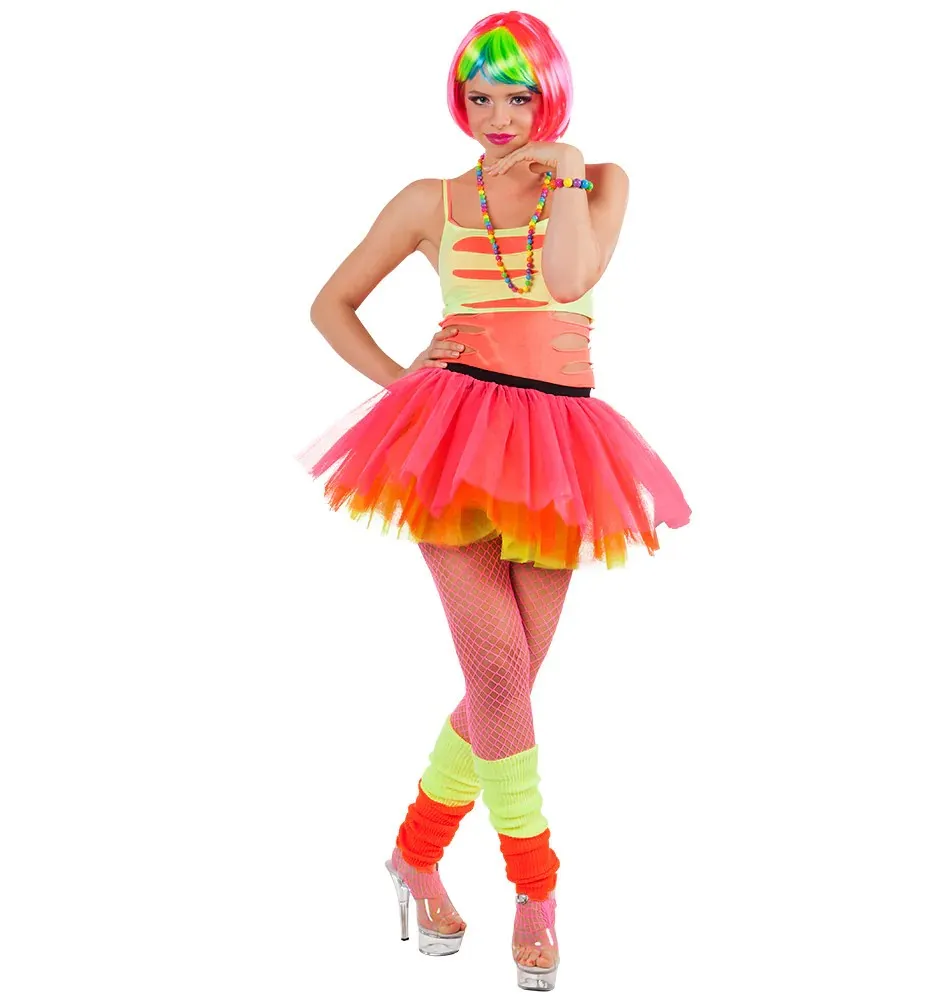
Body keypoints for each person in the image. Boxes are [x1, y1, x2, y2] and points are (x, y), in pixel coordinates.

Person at [295, 10, 692, 991]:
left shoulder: (600, 182)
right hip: (456, 441)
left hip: (561, 452)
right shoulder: (429, 199)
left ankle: (414, 852)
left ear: (550, 95)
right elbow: (329, 304)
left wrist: (566, 174)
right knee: (502, 670)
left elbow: (568, 277)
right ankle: (536, 889)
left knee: (503, 684)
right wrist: (403, 382)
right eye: (480, 97)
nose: (498, 116)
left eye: (517, 96)